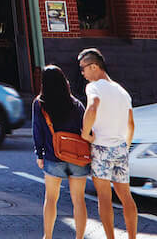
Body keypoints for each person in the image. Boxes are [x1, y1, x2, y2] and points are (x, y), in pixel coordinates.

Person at [79, 48, 137, 239]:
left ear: (94, 66)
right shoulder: (122, 91)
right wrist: (125, 146)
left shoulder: (94, 87)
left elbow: (93, 107)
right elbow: (131, 123)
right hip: (120, 147)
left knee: (104, 197)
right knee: (126, 196)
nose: (83, 73)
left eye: (83, 68)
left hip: (101, 147)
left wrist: (86, 133)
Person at [33, 63, 88, 239]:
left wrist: (39, 154)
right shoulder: (76, 104)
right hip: (78, 157)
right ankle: (79, 237)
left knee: (50, 199)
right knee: (78, 200)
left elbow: (37, 130)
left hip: (53, 155)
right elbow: (85, 129)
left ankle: (47, 236)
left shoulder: (40, 104)